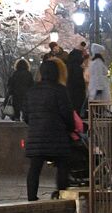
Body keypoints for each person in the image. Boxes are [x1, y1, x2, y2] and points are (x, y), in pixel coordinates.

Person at [24, 58, 75, 201]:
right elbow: (67, 113)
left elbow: (26, 115)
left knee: (34, 167)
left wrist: (35, 125)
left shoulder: (32, 91)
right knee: (63, 163)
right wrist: (70, 129)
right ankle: (62, 194)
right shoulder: (60, 90)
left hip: (36, 136)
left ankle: (31, 197)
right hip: (57, 136)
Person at [66, 43, 89, 117]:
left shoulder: (69, 64)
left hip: (70, 88)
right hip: (77, 89)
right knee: (77, 104)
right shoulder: (77, 67)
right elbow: (79, 79)